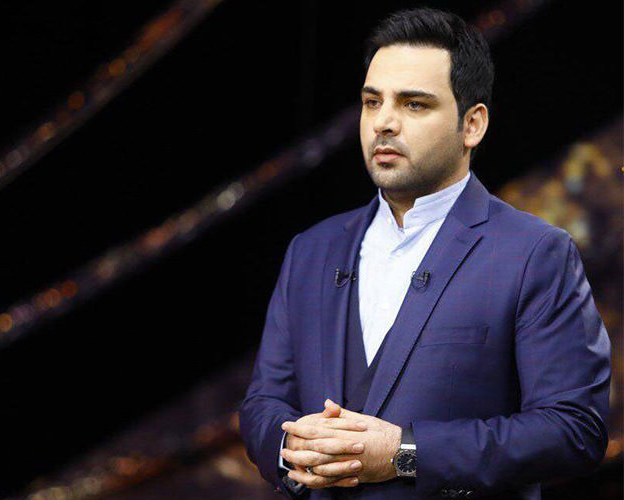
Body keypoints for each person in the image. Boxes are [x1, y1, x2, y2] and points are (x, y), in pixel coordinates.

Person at [238, 7, 611, 500]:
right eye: (372, 102)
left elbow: (573, 430)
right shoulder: (311, 250)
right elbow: (263, 403)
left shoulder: (535, 253)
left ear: (472, 125)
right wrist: (292, 449)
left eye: (414, 104)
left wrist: (405, 454)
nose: (384, 123)